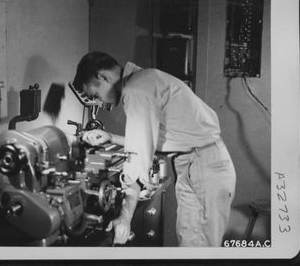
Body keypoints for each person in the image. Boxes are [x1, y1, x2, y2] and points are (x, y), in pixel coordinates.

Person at [72, 51, 236, 246]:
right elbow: (152, 138)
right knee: (194, 244)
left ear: (103, 76)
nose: (100, 102)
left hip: (201, 166)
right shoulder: (145, 78)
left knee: (198, 248)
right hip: (202, 162)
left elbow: (138, 158)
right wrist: (110, 137)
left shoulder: (136, 90)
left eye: (95, 95)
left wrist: (125, 217)